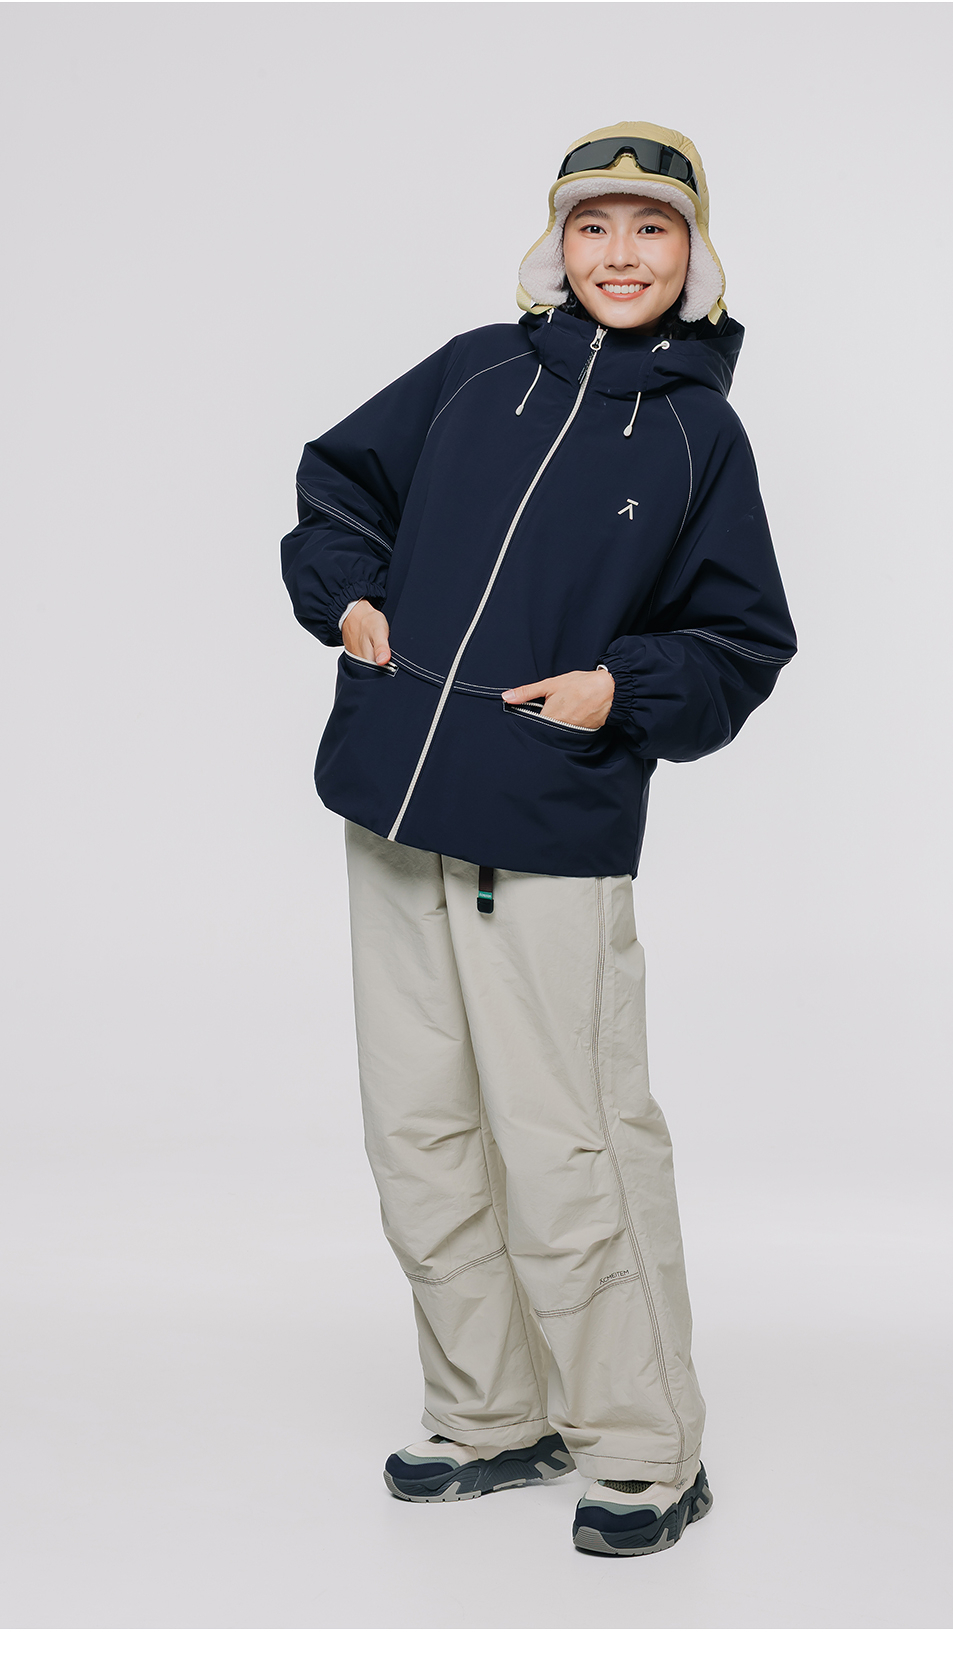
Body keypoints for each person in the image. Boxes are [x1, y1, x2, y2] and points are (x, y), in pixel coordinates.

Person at [281, 121, 796, 1557]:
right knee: (420, 1133)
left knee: (575, 1149)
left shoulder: (698, 436)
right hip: (392, 810)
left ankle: (643, 1447)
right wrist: (349, 596)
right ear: (556, 245)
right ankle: (489, 1413)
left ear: (696, 254)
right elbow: (336, 485)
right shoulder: (472, 371)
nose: (620, 254)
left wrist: (618, 689)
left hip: (547, 835)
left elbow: (742, 638)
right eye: (593, 226)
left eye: (651, 228)